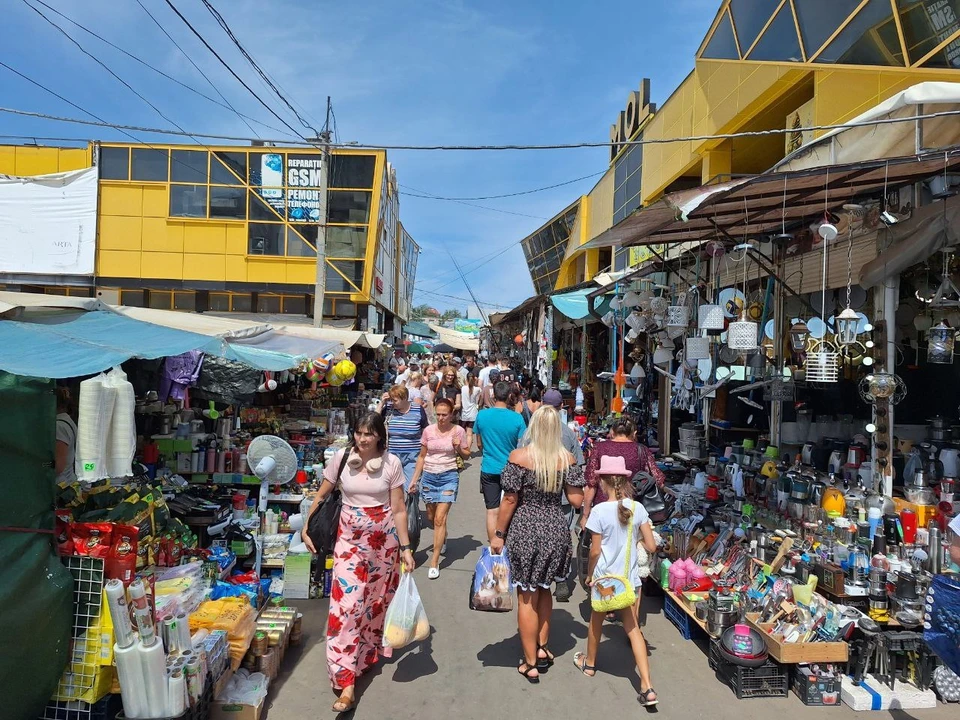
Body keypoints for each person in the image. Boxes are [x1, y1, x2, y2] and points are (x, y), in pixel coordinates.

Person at [301, 412, 416, 713]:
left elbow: (399, 508)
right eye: (358, 433)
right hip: (348, 543)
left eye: (368, 434)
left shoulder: (391, 463)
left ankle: (363, 657)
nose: (362, 439)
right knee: (347, 606)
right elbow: (321, 495)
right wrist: (306, 524)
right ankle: (345, 680)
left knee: (374, 604)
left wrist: (405, 547)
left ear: (379, 436)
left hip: (384, 545)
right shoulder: (340, 458)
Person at [491, 406, 585, 683]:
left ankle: (530, 661)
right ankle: (542, 648)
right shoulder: (566, 458)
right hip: (555, 527)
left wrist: (498, 532)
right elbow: (577, 501)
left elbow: (509, 499)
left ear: (532, 428)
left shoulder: (519, 457)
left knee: (526, 596)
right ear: (558, 429)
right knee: (544, 589)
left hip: (525, 527)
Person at [573, 455, 657, 705]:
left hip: (604, 581)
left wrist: (589, 574)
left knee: (595, 622)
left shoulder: (598, 512)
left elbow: (595, 551)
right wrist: (633, 541)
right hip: (629, 580)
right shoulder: (638, 508)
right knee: (633, 631)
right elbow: (651, 546)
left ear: (602, 482)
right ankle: (647, 686)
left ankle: (589, 664)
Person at [409, 398, 469, 579]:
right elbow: (421, 456)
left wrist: (458, 446)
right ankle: (443, 536)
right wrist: (414, 479)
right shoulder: (428, 431)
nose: (441, 418)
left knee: (439, 519)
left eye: (445, 414)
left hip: (449, 476)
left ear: (452, 414)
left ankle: (434, 561)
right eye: (438, 414)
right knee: (431, 516)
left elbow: (466, 455)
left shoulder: (458, 431)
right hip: (428, 475)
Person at [581, 417, 664, 531]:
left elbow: (591, 483)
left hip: (603, 508)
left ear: (612, 432)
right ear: (634, 433)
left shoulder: (599, 448)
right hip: (631, 509)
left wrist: (585, 515)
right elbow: (658, 479)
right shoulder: (642, 450)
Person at [474, 381, 527, 542]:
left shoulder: (482, 415)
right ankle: (506, 538)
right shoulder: (517, 419)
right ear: (510, 396)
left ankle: (494, 546)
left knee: (492, 510)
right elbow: (522, 444)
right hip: (511, 468)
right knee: (511, 505)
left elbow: (479, 443)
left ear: (492, 395)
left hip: (489, 467)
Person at [382, 385, 428, 489]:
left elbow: (425, 430)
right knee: (392, 488)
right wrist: (381, 403)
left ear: (404, 398)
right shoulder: (389, 409)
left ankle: (411, 505)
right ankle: (395, 505)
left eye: (395, 400)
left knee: (412, 487)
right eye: (391, 400)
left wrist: (425, 451)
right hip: (392, 455)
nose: (393, 402)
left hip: (413, 455)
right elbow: (373, 421)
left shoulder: (417, 409)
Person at [55, 386, 77, 484]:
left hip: (62, 486)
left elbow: (58, 466)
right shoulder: (67, 420)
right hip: (68, 482)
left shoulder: (59, 426)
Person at [460, 372, 483, 452]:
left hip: (464, 414)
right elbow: (479, 399)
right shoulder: (477, 389)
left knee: (462, 433)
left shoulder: (463, 388)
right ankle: (468, 450)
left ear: (466, 379)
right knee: (469, 434)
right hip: (473, 413)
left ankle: (462, 449)